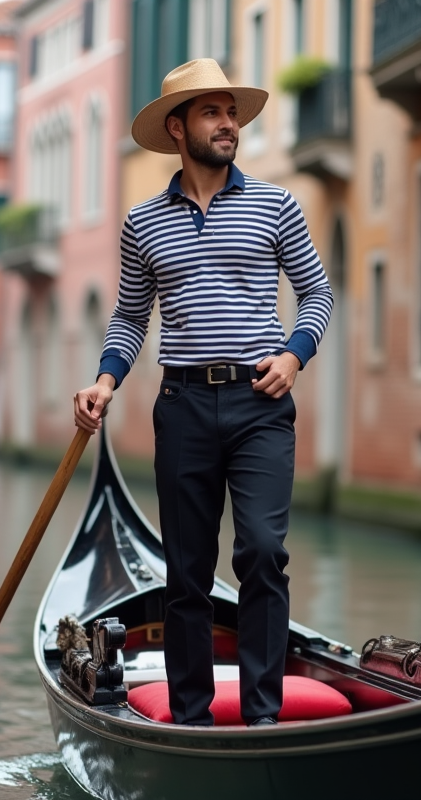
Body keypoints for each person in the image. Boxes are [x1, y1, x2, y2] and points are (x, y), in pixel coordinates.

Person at [72, 59, 333, 728]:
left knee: (263, 555)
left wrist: (295, 356)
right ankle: (189, 723)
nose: (229, 124)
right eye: (213, 112)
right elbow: (131, 316)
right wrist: (104, 382)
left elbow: (317, 293)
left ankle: (263, 718)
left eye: (233, 112)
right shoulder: (142, 223)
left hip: (260, 406)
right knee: (187, 574)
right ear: (177, 127)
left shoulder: (277, 204)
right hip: (183, 406)